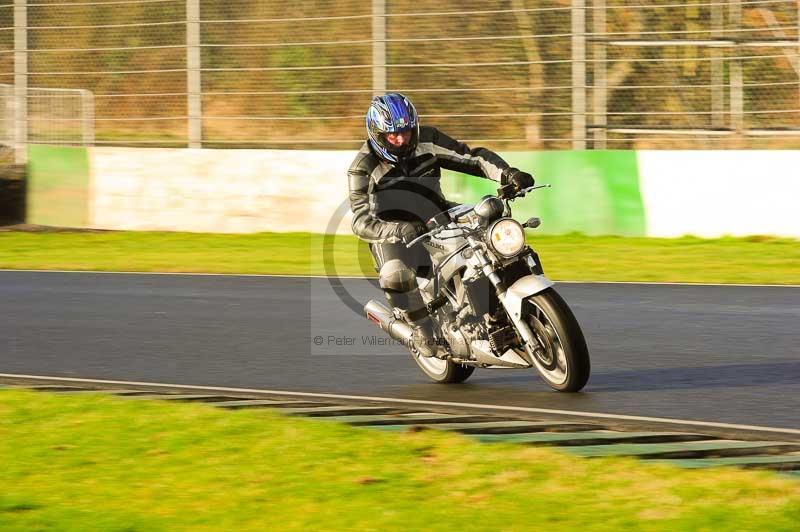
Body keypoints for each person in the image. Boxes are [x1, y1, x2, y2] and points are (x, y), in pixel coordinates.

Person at [347, 92, 534, 357]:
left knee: (493, 218)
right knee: (395, 274)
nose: (401, 140)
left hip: (437, 213)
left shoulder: (428, 140)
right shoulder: (362, 168)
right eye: (392, 136)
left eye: (406, 133)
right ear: (377, 135)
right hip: (394, 234)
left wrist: (507, 173)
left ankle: (500, 309)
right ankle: (423, 332)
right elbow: (360, 220)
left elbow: (472, 157)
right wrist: (398, 229)